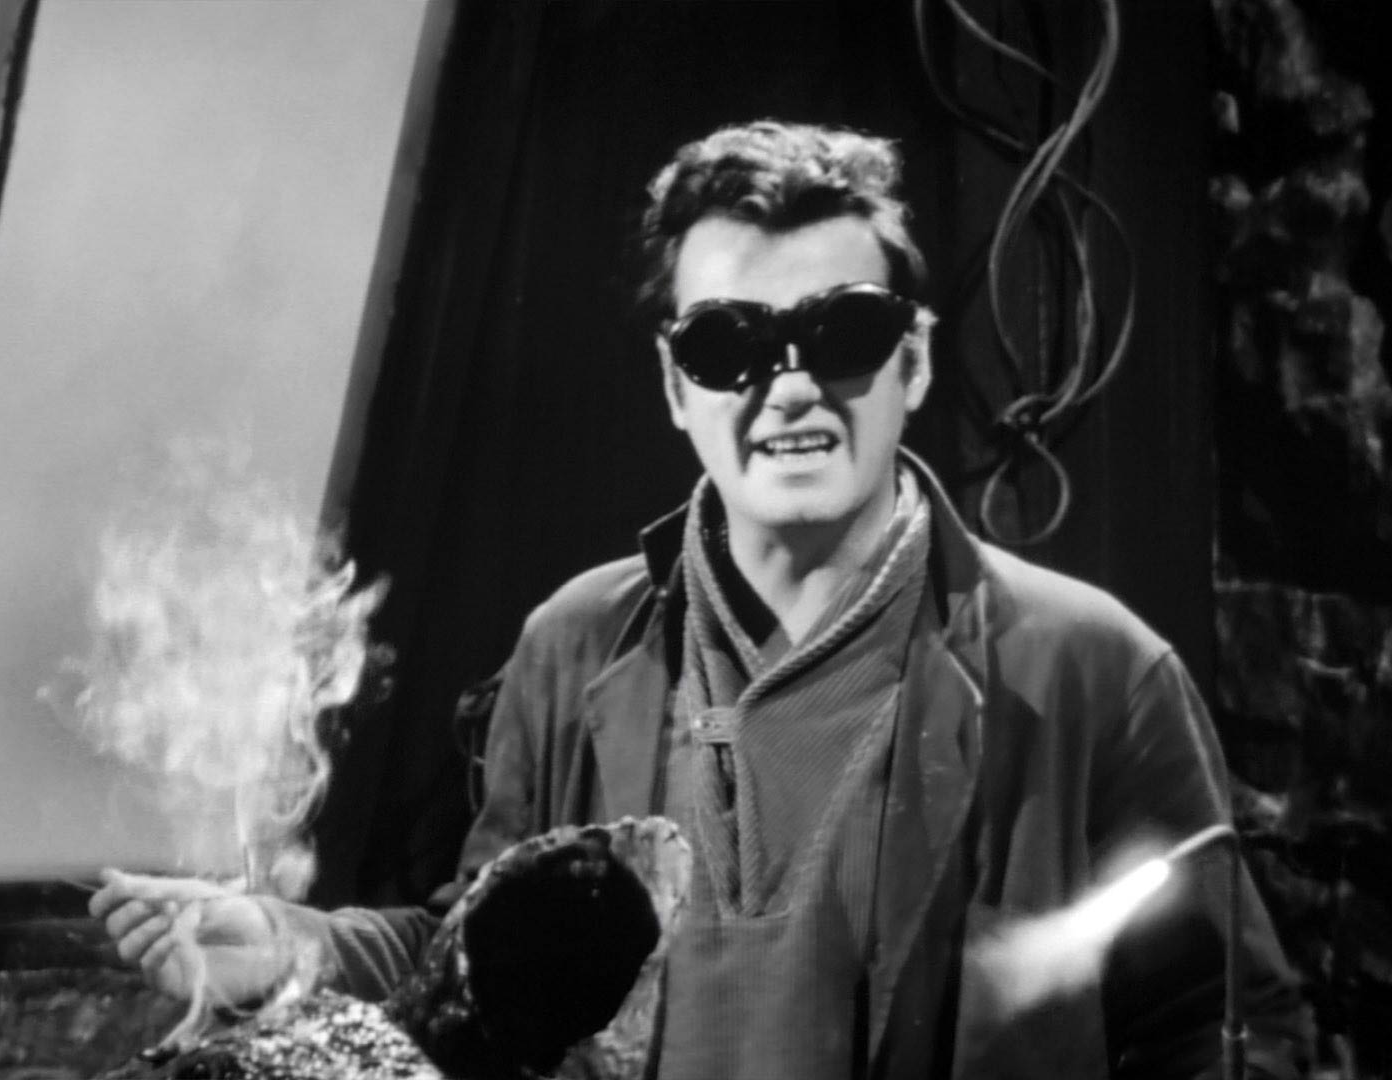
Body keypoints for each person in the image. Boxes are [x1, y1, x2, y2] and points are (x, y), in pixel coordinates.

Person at [94, 119, 1313, 1078]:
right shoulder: (575, 646)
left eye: (841, 332)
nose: (790, 389)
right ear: (678, 386)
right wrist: (295, 948)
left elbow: (1225, 1034)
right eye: (731, 346)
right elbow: (474, 966)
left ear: (914, 359)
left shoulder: (1093, 672)